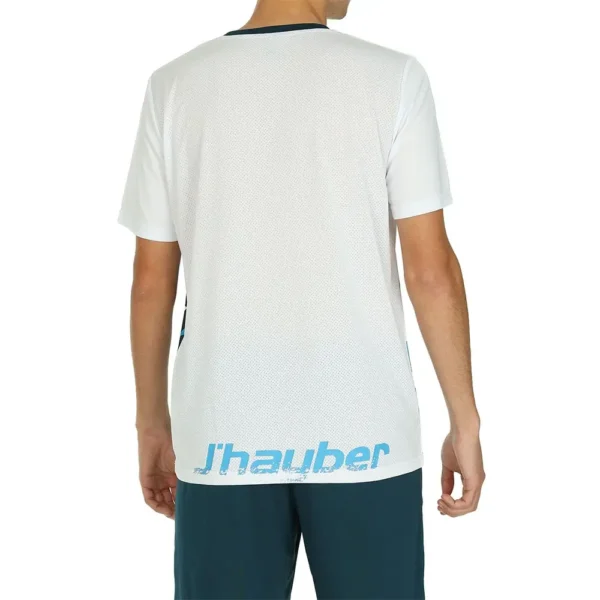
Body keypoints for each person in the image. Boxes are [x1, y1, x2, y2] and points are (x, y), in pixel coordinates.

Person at [118, 0, 485, 597]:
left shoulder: (175, 86)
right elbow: (431, 271)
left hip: (222, 432)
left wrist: (152, 424)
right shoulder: (393, 78)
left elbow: (151, 280)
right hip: (365, 433)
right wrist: (464, 421)